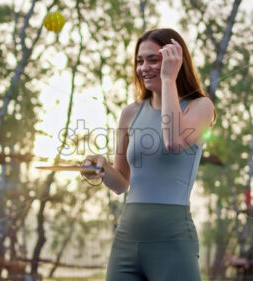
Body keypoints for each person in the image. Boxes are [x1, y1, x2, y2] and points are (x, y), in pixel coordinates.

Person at [81, 28, 216, 281]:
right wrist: (100, 166)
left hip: (172, 239)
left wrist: (168, 80)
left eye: (153, 59)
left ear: (176, 61)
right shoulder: (131, 113)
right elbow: (121, 183)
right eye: (140, 61)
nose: (144, 68)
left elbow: (174, 141)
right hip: (127, 236)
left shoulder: (200, 107)